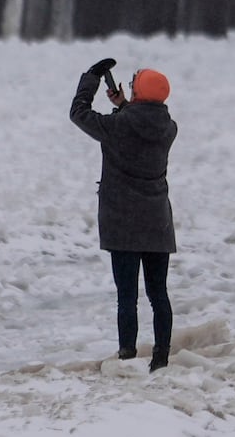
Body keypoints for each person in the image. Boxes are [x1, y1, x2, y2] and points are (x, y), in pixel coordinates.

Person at [69, 57, 178, 372]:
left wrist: (90, 78)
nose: (129, 88)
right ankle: (161, 358)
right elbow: (142, 121)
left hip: (124, 224)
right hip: (158, 222)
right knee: (159, 294)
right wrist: (125, 104)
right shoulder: (169, 128)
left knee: (127, 297)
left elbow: (79, 114)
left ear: (141, 93)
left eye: (133, 85)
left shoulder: (117, 127)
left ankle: (127, 357)